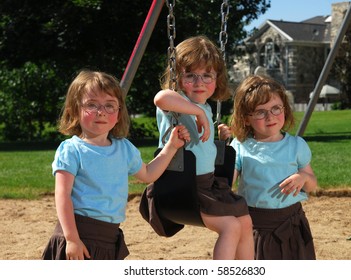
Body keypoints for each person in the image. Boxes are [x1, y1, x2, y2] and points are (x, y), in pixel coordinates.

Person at [42, 70, 190, 260]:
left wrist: (171, 147)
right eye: (91, 105)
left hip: (109, 236)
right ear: (74, 111)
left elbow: (148, 174)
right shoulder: (71, 149)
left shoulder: (124, 148)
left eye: (109, 106)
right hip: (78, 234)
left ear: (119, 114)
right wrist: (71, 239)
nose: (101, 111)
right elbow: (62, 196)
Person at [153, 35, 254, 260]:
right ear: (177, 78)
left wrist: (220, 141)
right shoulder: (176, 102)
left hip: (208, 186)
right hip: (182, 189)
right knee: (231, 227)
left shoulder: (206, 107)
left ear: (217, 79)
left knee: (245, 222)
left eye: (207, 75)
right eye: (190, 75)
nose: (199, 82)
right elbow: (161, 98)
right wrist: (197, 113)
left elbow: (201, 146)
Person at [219, 74, 317, 260]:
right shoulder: (240, 147)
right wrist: (224, 149)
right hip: (256, 225)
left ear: (285, 109)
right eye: (260, 112)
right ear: (245, 118)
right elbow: (226, 183)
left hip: (292, 224)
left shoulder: (297, 145)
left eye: (275, 108)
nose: (270, 116)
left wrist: (303, 178)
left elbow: (312, 183)